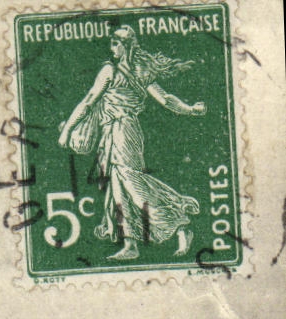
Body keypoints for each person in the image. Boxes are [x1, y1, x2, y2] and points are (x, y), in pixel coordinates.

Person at [57, 26, 206, 261]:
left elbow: (89, 101)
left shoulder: (115, 71)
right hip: (118, 132)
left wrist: (66, 131)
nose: (112, 47)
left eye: (116, 43)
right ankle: (130, 244)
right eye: (112, 43)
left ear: (126, 46)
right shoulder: (134, 71)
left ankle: (178, 221)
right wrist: (191, 110)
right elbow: (165, 99)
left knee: (133, 184)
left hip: (123, 132)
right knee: (119, 189)